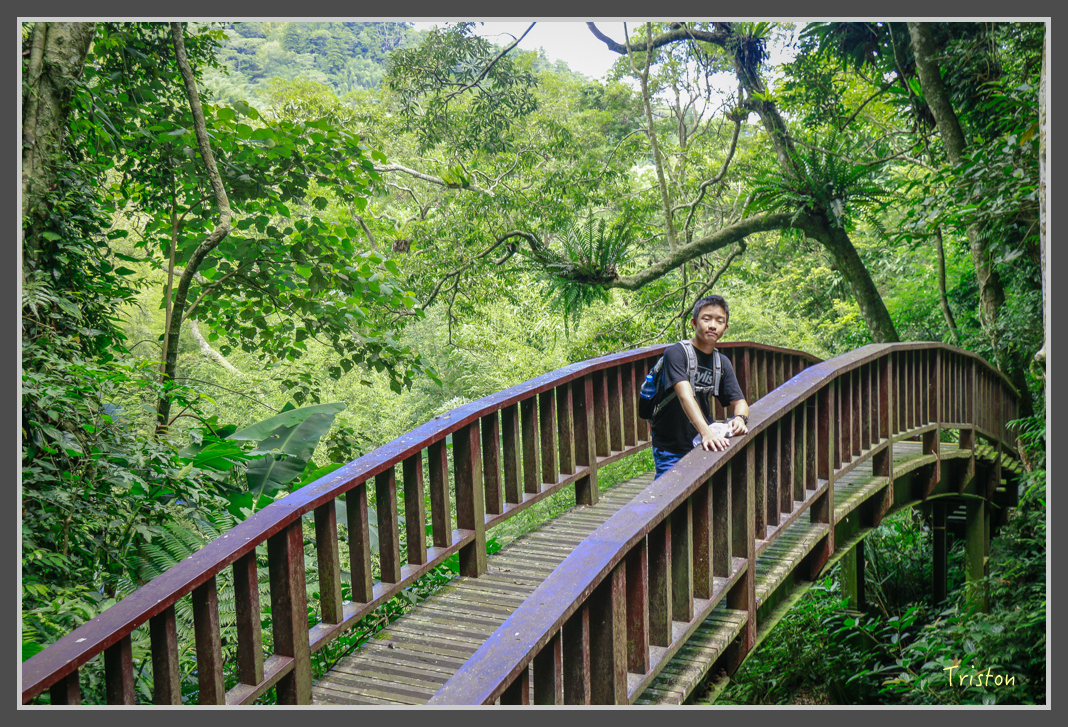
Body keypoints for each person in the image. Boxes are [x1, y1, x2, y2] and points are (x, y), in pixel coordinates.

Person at [651, 295, 750, 479]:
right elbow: (685, 396)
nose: (713, 325)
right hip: (670, 445)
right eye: (707, 319)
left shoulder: (721, 362)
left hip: (700, 443)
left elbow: (740, 402)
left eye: (719, 321)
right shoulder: (676, 353)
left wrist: (740, 418)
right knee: (666, 496)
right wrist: (707, 433)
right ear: (694, 322)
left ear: (725, 328)